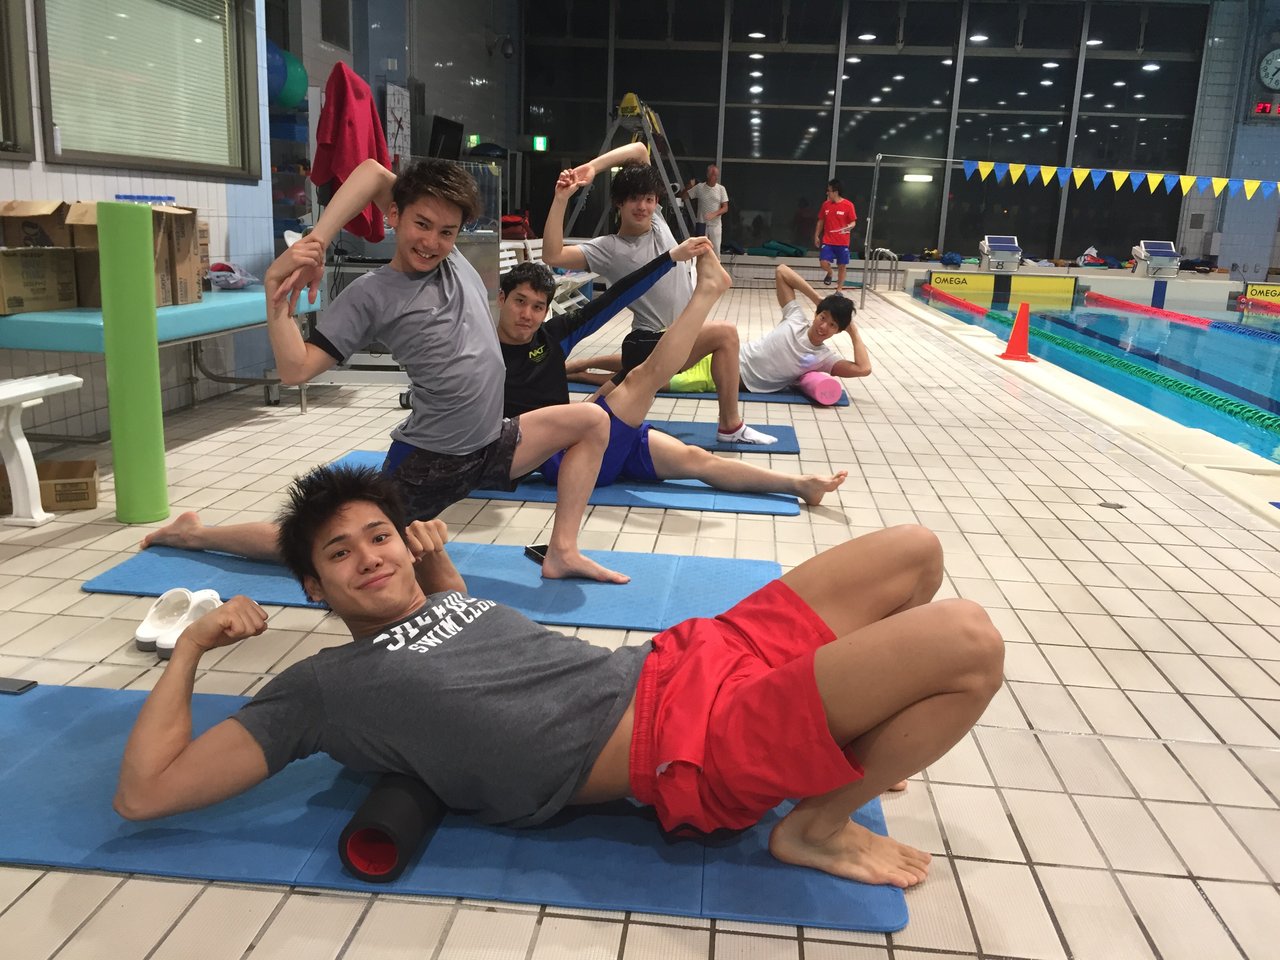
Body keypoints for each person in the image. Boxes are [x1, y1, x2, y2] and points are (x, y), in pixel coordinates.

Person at [113, 464, 1004, 889]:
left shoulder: (440, 599)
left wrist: (439, 570)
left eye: (379, 536)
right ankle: (816, 823)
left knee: (913, 551)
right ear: (313, 587)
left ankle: (840, 733)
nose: (370, 557)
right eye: (340, 554)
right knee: (966, 641)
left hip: (685, 659)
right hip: (687, 743)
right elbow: (146, 794)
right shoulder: (324, 686)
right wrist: (190, 646)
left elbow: (469, 641)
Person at [143, 158, 626, 584]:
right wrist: (298, 263)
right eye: (421, 224)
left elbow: (376, 174)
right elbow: (296, 369)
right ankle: (196, 534)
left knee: (592, 421)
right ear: (393, 216)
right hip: (429, 462)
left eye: (446, 232)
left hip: (491, 442)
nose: (432, 241)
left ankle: (561, 552)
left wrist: (322, 238)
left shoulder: (451, 258)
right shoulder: (371, 294)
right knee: (321, 546)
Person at [499, 249, 847, 506]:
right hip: (564, 459)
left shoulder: (551, 335)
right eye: (519, 302)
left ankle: (801, 485)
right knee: (644, 377)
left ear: (546, 310)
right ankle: (706, 291)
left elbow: (616, 296)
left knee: (699, 460)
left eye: (537, 307)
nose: (527, 315)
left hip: (583, 436)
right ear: (501, 299)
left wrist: (669, 258)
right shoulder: (484, 354)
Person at [542, 142, 776, 446]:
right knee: (726, 335)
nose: (643, 206)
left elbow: (641, 149)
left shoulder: (656, 222)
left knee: (596, 412)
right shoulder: (609, 248)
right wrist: (561, 198)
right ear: (619, 203)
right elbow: (553, 255)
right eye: (634, 199)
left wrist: (593, 167)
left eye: (649, 199)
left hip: (672, 338)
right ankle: (730, 426)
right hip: (649, 342)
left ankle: (558, 434)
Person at [565, 264, 873, 398]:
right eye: (823, 318)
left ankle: (578, 376)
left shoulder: (823, 358)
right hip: (723, 352)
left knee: (648, 380)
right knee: (652, 355)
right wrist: (820, 301)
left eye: (833, 326)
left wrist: (854, 332)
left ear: (837, 332)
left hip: (723, 377)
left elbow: (863, 369)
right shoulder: (796, 319)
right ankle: (577, 364)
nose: (823, 327)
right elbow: (782, 271)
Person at [816, 179, 857, 293]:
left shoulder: (848, 205)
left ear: (835, 192)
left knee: (842, 266)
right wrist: (816, 235)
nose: (827, 193)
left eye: (829, 190)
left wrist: (850, 226)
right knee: (823, 262)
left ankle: (839, 290)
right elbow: (820, 221)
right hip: (828, 241)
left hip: (842, 242)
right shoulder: (826, 205)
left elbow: (853, 221)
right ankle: (830, 272)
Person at [679, 164, 729, 252]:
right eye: (713, 175)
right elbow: (683, 196)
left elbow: (725, 208)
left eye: (717, 175)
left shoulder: (721, 189)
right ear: (708, 175)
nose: (716, 178)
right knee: (700, 250)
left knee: (716, 250)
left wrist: (714, 214)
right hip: (702, 224)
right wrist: (689, 186)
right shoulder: (700, 187)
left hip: (715, 225)